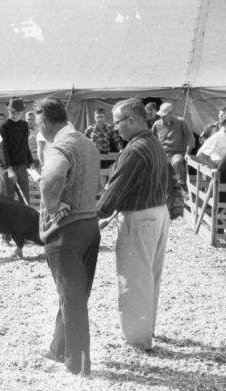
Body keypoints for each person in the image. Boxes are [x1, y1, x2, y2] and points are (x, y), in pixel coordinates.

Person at [98, 98, 170, 352]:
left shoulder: (134, 149)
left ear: (131, 120)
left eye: (117, 123)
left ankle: (138, 339)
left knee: (134, 277)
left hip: (139, 217)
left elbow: (115, 190)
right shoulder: (153, 143)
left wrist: (96, 215)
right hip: (158, 212)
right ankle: (145, 329)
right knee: (150, 277)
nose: (115, 128)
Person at [36, 98, 100, 375]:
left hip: (66, 231)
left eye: (36, 122)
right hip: (90, 225)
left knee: (70, 298)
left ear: (45, 120)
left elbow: (51, 178)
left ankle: (79, 364)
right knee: (75, 295)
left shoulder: (59, 146)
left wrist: (51, 206)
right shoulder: (87, 142)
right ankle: (58, 347)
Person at [152, 102, 195, 198]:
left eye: (164, 115)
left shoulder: (181, 122)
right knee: (165, 181)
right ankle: (167, 202)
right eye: (161, 116)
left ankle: (183, 186)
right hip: (163, 154)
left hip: (177, 152)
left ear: (171, 113)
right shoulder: (156, 124)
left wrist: (187, 153)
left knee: (178, 161)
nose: (162, 118)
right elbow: (152, 140)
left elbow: (190, 138)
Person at [0, 97, 33, 204]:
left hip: (22, 165)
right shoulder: (3, 126)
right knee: (8, 199)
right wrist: (8, 168)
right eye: (13, 112)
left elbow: (25, 145)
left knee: (25, 198)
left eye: (18, 112)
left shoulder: (24, 125)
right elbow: (2, 148)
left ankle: (23, 220)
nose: (15, 115)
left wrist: (30, 161)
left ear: (22, 112)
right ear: (9, 111)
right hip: (7, 167)